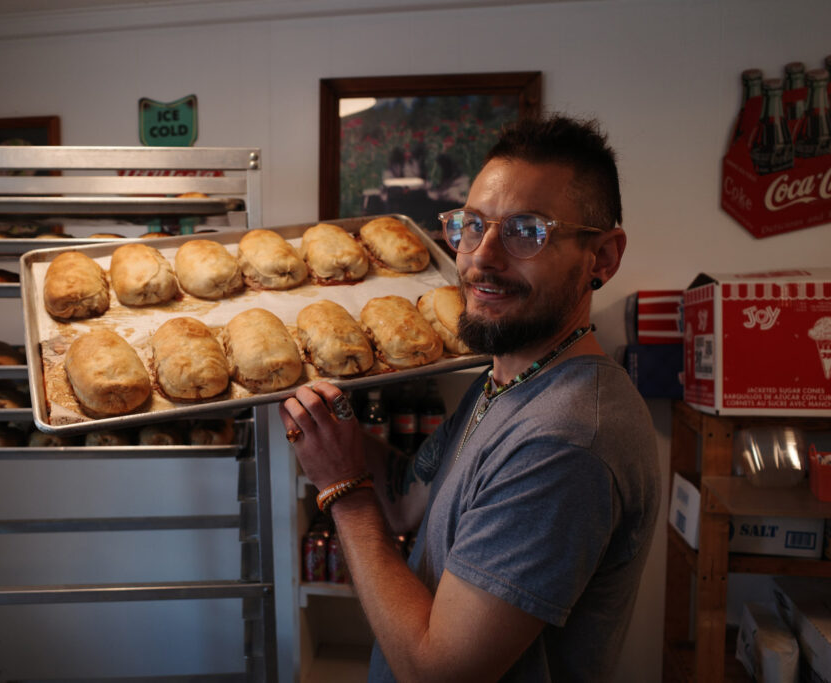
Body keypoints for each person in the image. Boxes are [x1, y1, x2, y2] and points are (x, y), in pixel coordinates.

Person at [280, 114, 660, 682]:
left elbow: (439, 672)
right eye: (471, 225)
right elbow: (411, 500)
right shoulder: (510, 378)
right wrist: (332, 438)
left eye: (526, 231)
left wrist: (344, 494)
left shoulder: (567, 441)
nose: (480, 256)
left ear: (602, 257)